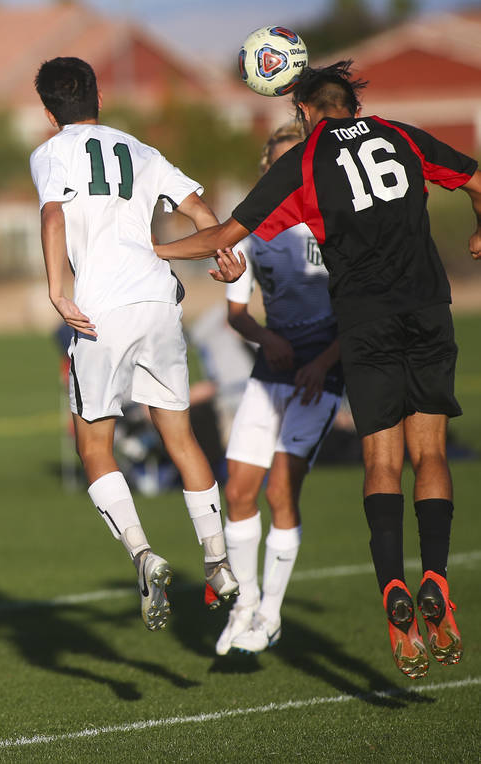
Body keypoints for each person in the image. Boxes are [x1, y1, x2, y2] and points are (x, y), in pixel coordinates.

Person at [156, 61, 481, 678]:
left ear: (304, 112)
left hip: (363, 323)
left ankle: (393, 588)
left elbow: (222, 234)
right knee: (430, 454)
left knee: (382, 462)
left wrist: (149, 251)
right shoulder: (403, 136)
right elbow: (477, 180)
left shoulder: (302, 163)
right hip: (427, 309)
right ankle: (436, 573)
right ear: (352, 105)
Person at [30, 57, 246, 632]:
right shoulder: (141, 151)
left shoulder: (51, 153)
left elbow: (53, 216)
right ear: (99, 98)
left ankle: (143, 554)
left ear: (49, 112)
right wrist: (223, 253)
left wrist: (57, 290)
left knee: (93, 445)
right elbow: (201, 212)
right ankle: (219, 562)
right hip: (158, 303)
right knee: (178, 432)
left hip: (100, 312)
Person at [214, 123, 345, 657]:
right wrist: (266, 336)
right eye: (280, 165)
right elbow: (237, 316)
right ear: (266, 171)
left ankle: (270, 613)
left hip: (327, 367)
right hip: (273, 368)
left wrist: (324, 361)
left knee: (279, 492)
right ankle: (244, 605)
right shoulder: (253, 230)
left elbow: (363, 312)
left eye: (301, 164)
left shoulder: (338, 226)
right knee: (239, 489)